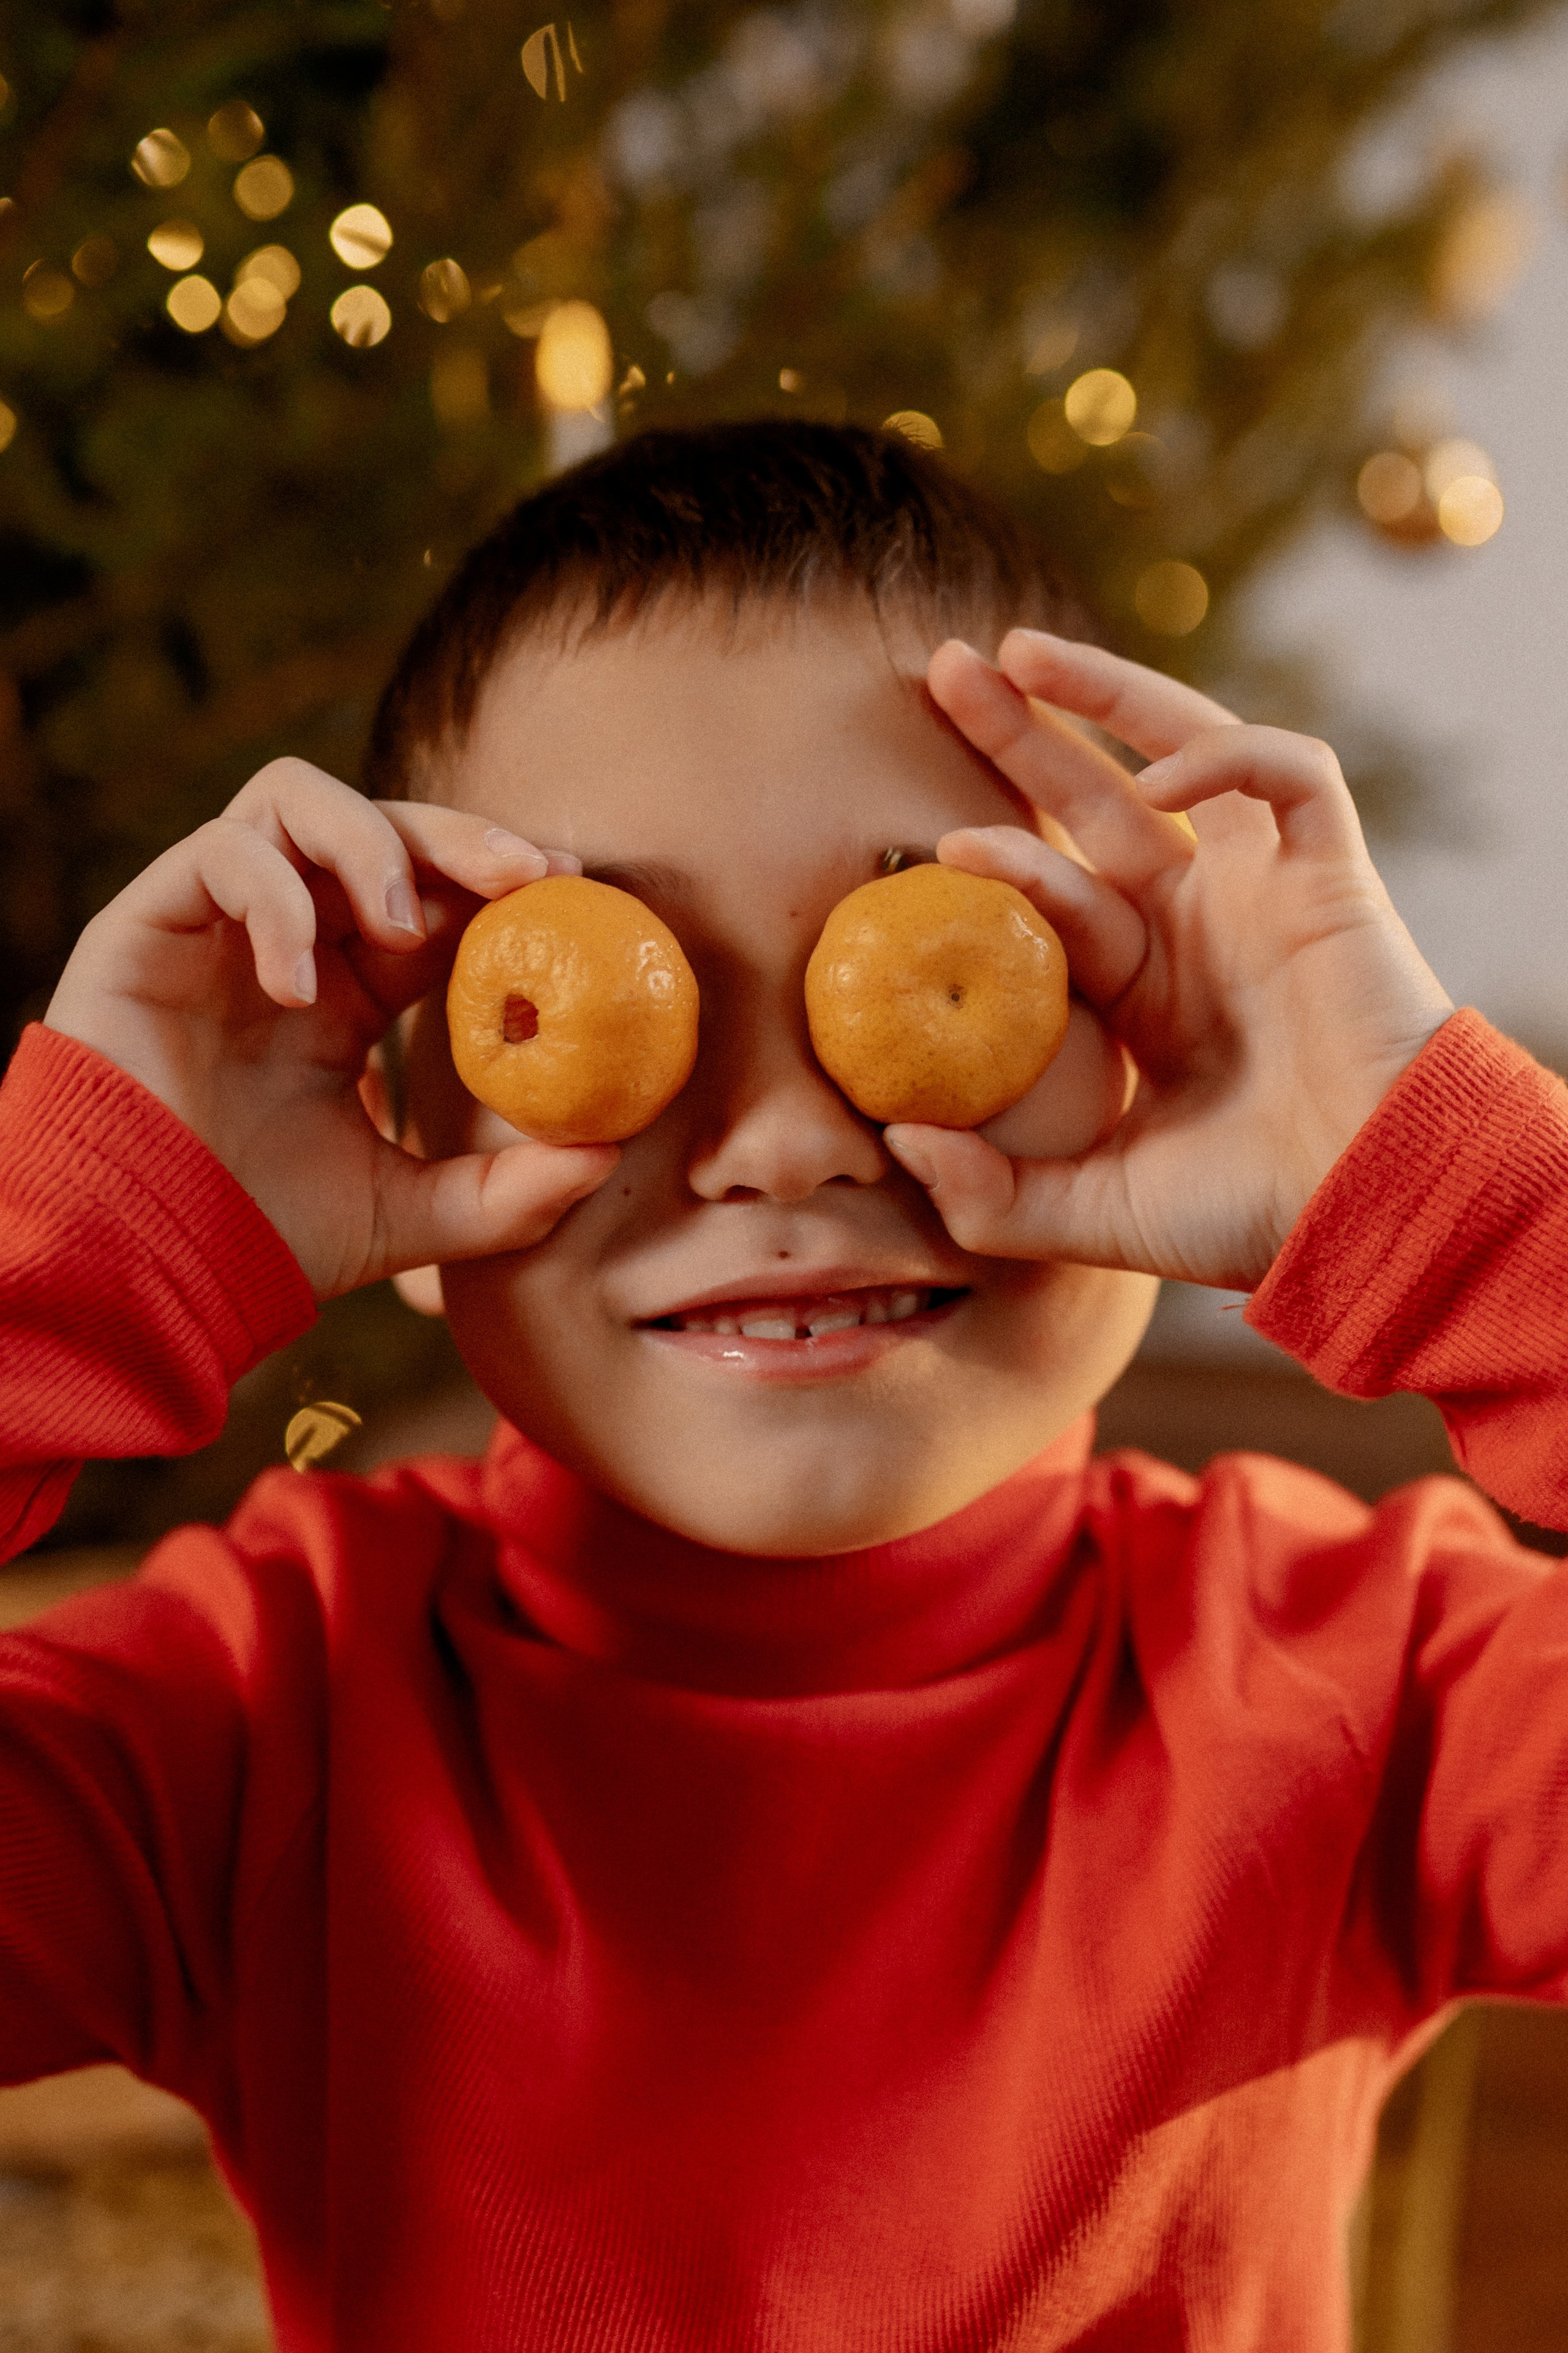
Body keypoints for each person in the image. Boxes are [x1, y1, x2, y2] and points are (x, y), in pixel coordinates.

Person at [1, 418, 1564, 2352]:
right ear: (391, 1130)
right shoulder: (261, 1719)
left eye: (930, 962)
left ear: (1158, 1050)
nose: (781, 1146)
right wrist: (79, 1244)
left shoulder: (1367, 1674)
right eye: (610, 986)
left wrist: (1452, 1195)